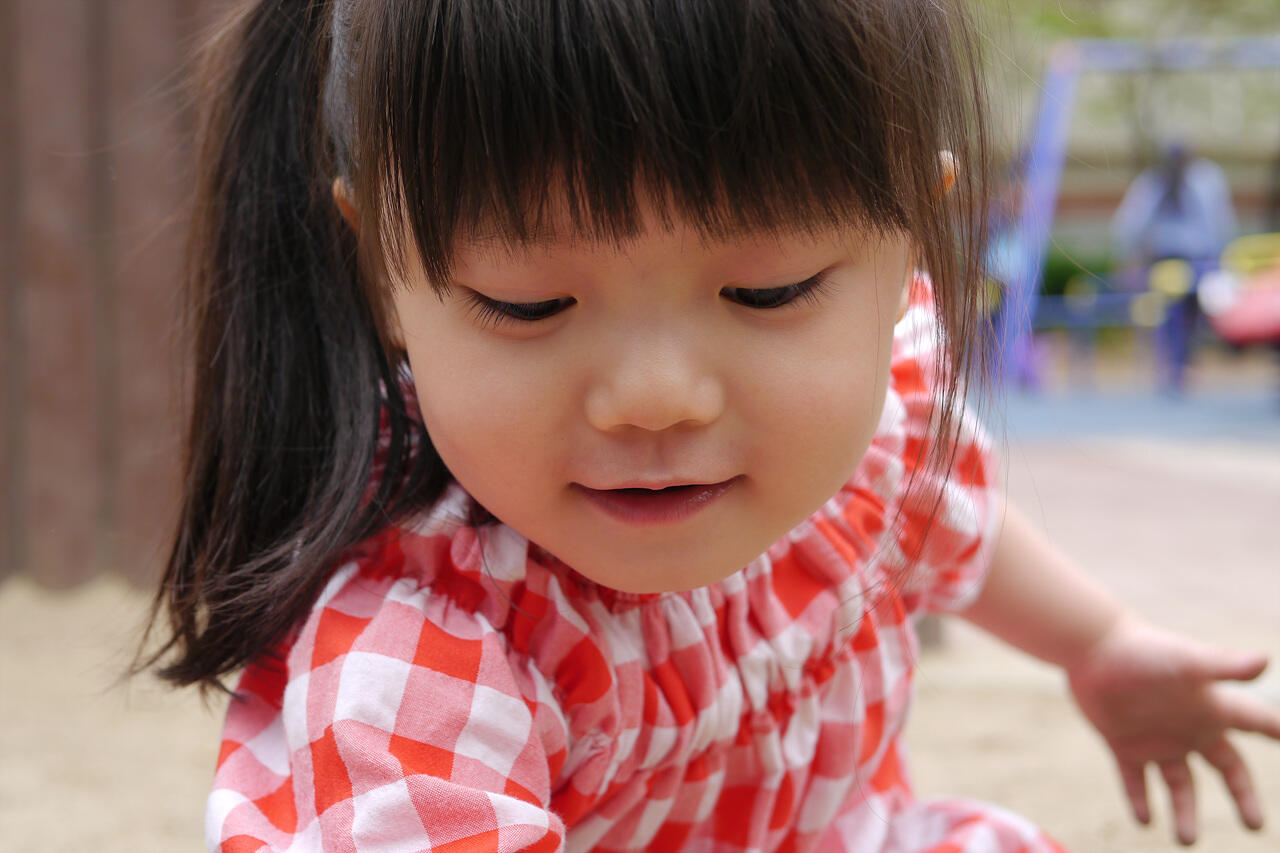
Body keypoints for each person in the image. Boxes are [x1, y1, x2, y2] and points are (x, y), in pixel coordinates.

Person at [138, 2, 1280, 850]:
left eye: (767, 291)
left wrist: (1097, 643)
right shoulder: (422, 663)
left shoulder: (864, 426)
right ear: (381, 276)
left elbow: (935, 517)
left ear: (907, 254)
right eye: (529, 304)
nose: (656, 397)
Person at [1111, 143, 1239, 392]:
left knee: (1194, 313)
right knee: (1166, 312)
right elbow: (1131, 225)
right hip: (1162, 259)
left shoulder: (1206, 180)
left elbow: (1220, 223)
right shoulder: (1152, 183)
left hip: (1199, 260)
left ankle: (1184, 362)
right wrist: (1129, 261)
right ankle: (1170, 364)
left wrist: (1221, 261)